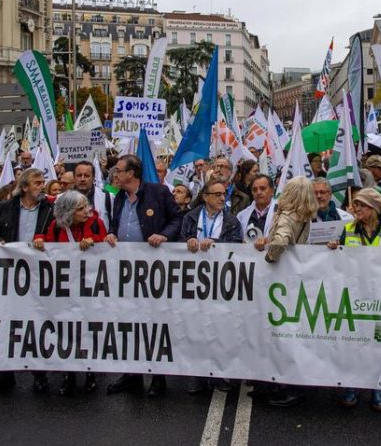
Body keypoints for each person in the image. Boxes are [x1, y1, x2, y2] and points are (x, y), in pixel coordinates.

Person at [328, 188, 381, 412]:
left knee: (380, 344)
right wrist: (333, 249)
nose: (356, 209)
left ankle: (378, 388)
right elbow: (337, 264)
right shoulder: (347, 230)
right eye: (355, 205)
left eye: (362, 205)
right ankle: (352, 386)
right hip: (355, 300)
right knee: (353, 343)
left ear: (375, 208)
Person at [106, 154, 183, 397]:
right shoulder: (118, 197)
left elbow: (177, 218)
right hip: (126, 272)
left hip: (152, 270)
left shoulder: (157, 193)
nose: (114, 175)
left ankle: (158, 377)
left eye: (118, 170)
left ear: (132, 173)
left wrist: (164, 235)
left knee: (154, 321)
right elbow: (115, 223)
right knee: (128, 322)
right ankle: (132, 374)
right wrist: (110, 234)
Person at [0, 168, 54, 395]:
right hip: (10, 275)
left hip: (38, 275)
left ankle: (39, 374)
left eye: (43, 182)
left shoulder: (50, 209)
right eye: (37, 183)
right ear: (24, 187)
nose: (42, 186)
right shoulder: (5, 208)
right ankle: (5, 374)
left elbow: (58, 236)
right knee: (7, 323)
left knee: (37, 323)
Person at [34, 190, 108, 395]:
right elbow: (47, 248)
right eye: (80, 209)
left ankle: (90, 373)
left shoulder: (95, 223)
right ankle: (69, 374)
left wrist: (94, 241)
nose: (86, 211)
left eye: (86, 207)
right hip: (64, 289)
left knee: (88, 330)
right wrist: (40, 242)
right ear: (68, 212)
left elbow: (108, 251)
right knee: (66, 331)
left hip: (89, 288)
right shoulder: (56, 228)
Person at [257, 176, 317, 408]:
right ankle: (284, 383)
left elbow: (281, 241)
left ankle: (288, 387)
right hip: (294, 279)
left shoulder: (287, 216)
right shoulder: (304, 217)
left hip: (280, 280)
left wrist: (270, 256)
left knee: (278, 332)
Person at [180, 179, 242, 394]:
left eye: (223, 194)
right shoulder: (190, 217)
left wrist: (217, 246)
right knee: (195, 327)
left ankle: (218, 373)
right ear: (205, 196)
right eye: (217, 194)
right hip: (194, 282)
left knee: (219, 328)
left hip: (219, 282)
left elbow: (237, 246)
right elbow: (180, 241)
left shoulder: (231, 221)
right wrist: (188, 240)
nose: (222, 198)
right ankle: (197, 375)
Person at [237, 174, 275, 242]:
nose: (258, 192)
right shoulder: (242, 215)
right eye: (254, 190)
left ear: (272, 191)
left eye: (263, 188)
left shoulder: (281, 213)